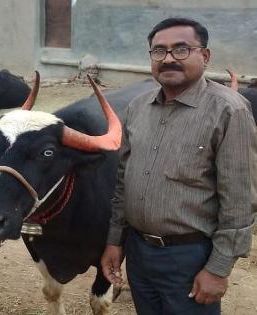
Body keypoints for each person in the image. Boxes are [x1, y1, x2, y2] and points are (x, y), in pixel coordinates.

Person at [101, 17, 257, 315]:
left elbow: (239, 201)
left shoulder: (229, 110)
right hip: (139, 252)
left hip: (190, 257)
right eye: (159, 51)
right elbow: (124, 182)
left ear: (205, 56)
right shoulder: (137, 108)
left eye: (181, 49)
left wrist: (219, 268)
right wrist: (114, 242)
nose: (169, 58)